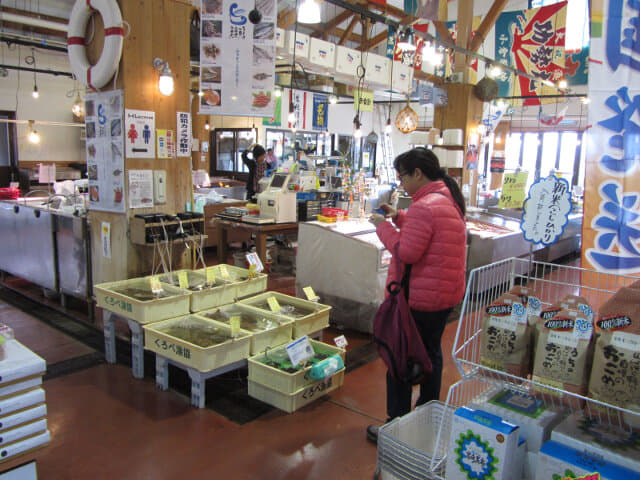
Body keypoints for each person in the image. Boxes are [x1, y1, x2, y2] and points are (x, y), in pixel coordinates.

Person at [366, 147, 467, 444]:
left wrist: (382, 227)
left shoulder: (426, 206)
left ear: (418, 174)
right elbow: (426, 233)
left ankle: (395, 427)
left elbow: (408, 251)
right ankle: (426, 418)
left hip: (420, 298)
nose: (401, 184)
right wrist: (399, 216)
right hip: (443, 298)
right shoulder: (446, 200)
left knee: (401, 359)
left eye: (402, 177)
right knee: (430, 356)